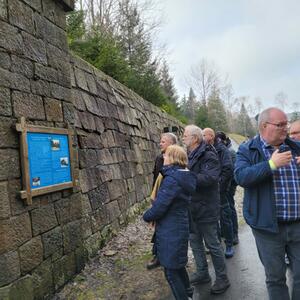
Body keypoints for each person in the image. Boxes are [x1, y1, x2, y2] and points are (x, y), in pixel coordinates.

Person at [235, 107, 300, 300]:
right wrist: (271, 164)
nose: (285, 129)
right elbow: (241, 177)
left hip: (298, 224)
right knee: (275, 278)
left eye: (286, 124)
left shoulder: (295, 146)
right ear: (264, 126)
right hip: (268, 229)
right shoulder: (247, 149)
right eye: (280, 125)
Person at [143, 145, 197, 300]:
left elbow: (160, 206)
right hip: (177, 226)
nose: (163, 157)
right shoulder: (182, 176)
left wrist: (147, 216)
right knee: (177, 266)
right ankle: (188, 293)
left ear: (173, 158)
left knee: (171, 272)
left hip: (171, 229)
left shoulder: (173, 179)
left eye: (166, 155)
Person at [183, 125, 230, 295]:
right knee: (195, 242)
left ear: (195, 138)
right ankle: (202, 273)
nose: (183, 138)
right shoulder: (189, 153)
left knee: (213, 244)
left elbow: (210, 178)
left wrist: (185, 176)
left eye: (185, 135)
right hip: (192, 206)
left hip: (206, 207)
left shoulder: (208, 154)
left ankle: (222, 278)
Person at [147, 132, 178, 270]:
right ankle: (158, 254)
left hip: (172, 199)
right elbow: (156, 178)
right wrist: (154, 196)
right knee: (159, 225)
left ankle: (164, 256)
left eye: (163, 141)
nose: (160, 143)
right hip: (160, 196)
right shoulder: (160, 158)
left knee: (167, 227)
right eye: (160, 141)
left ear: (171, 144)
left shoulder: (178, 158)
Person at [203, 128, 235, 258]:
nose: (202, 136)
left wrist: (219, 186)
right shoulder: (205, 149)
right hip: (209, 192)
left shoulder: (222, 149)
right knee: (213, 219)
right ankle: (216, 244)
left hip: (220, 191)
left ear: (211, 136)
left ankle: (229, 244)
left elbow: (228, 169)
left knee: (225, 217)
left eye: (204, 134)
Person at [216, 131, 239, 245]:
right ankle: (227, 232)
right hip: (225, 184)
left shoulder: (230, 151)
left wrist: (228, 186)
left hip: (230, 185)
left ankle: (234, 233)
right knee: (225, 210)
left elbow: (232, 170)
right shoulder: (224, 150)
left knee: (230, 208)